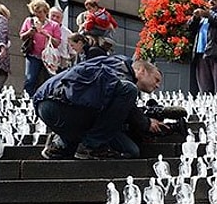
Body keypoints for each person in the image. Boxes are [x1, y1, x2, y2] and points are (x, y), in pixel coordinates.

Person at [33, 56, 163, 160]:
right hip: (58, 104)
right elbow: (123, 102)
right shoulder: (122, 71)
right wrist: (146, 123)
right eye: (156, 79)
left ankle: (59, 146)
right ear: (141, 70)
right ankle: (90, 147)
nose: (157, 86)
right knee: (129, 89)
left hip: (47, 104)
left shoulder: (113, 64)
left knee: (131, 150)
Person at [19, 0, 61, 97]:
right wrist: (30, 32)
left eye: (40, 12)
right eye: (35, 12)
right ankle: (28, 99)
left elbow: (57, 42)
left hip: (48, 57)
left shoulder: (54, 25)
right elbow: (22, 36)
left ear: (46, 11)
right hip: (33, 54)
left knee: (48, 80)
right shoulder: (29, 21)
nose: (37, 14)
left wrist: (47, 35)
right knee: (30, 79)